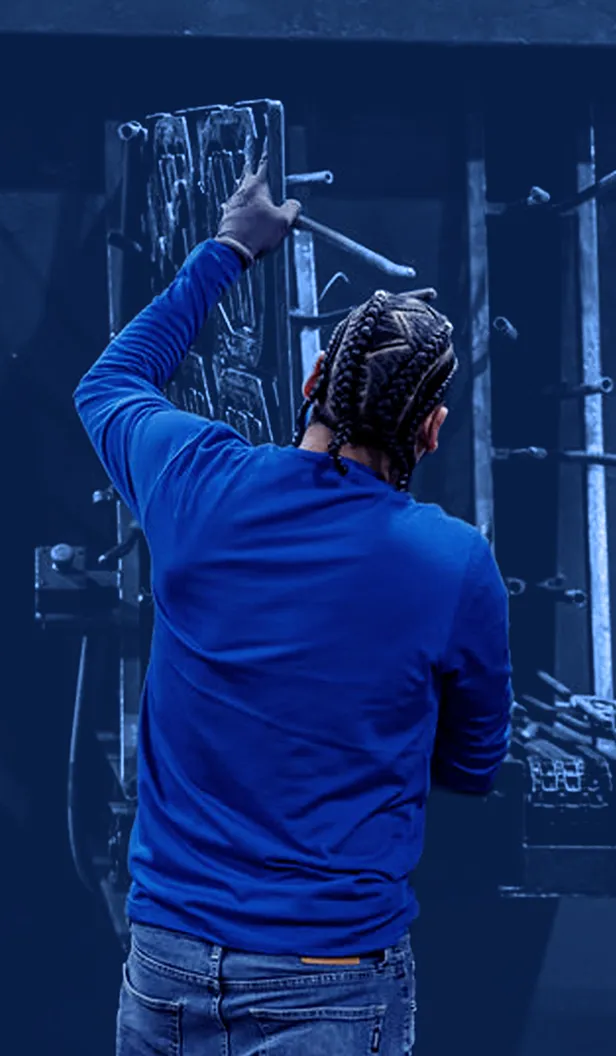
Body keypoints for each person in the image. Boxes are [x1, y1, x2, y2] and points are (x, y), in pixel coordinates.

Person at [74, 160, 513, 1055]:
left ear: (316, 378)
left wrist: (231, 247)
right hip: (332, 986)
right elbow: (474, 766)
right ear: (430, 430)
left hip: (166, 970)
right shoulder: (454, 565)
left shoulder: (196, 482)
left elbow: (109, 385)